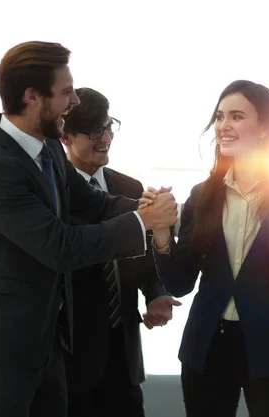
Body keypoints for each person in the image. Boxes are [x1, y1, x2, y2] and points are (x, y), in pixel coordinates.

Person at [0, 41, 177, 417]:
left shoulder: (46, 152)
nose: (75, 101)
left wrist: (157, 209)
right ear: (32, 97)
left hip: (47, 345)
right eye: (65, 92)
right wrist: (146, 222)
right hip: (1, 352)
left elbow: (97, 205)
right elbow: (61, 246)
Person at [142, 80, 269, 417]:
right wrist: (160, 232)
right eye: (219, 116)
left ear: (264, 128)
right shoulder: (201, 196)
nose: (223, 126)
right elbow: (180, 284)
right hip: (207, 349)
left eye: (236, 116)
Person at [61, 87, 182, 417]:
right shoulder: (55, 194)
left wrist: (156, 294)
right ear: (65, 136)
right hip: (72, 359)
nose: (105, 138)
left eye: (108, 126)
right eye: (93, 131)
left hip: (124, 354)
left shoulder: (129, 188)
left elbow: (143, 260)